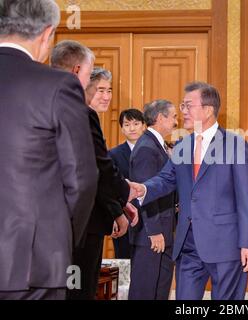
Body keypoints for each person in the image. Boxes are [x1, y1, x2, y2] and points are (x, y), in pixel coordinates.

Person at [0, 0, 97, 299]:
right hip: (32, 261)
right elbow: (81, 179)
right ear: (47, 32)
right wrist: (58, 234)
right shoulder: (57, 85)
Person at [129, 82, 248, 300]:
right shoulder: (182, 146)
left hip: (226, 246)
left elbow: (246, 197)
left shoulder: (235, 145)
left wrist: (247, 243)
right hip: (188, 244)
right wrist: (142, 189)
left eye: (188, 105)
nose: (183, 111)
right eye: (182, 105)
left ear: (208, 110)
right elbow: (166, 179)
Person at [51, 53, 139, 299]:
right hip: (81, 221)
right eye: (100, 89)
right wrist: (122, 202)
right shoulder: (83, 115)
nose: (106, 96)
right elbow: (96, 171)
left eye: (109, 90)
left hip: (69, 219)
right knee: (79, 288)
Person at [128, 100, 178, 300]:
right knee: (145, 291)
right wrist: (154, 230)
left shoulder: (156, 144)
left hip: (163, 231)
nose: (177, 121)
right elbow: (144, 193)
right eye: (173, 116)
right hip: (150, 235)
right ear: (160, 118)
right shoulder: (147, 148)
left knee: (159, 290)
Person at [108, 108, 146, 259]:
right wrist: (114, 216)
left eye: (136, 124)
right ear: (122, 129)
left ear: (144, 126)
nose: (132, 128)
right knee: (125, 262)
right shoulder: (113, 154)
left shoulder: (156, 151)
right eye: (127, 124)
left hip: (150, 215)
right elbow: (110, 188)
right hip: (125, 216)